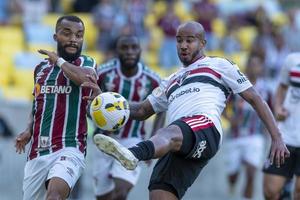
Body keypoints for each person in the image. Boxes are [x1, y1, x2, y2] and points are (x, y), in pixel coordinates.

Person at [85, 21, 289, 200]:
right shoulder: (170, 80)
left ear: (203, 43)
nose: (183, 45)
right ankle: (135, 155)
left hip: (204, 128)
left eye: (189, 40)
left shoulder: (219, 65)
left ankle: (132, 153)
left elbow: (255, 99)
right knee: (159, 190)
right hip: (180, 143)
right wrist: (105, 101)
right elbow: (142, 110)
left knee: (168, 131)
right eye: (179, 40)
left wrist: (277, 137)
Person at [14, 15, 98, 200]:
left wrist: (59, 61)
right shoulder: (41, 69)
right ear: (55, 36)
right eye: (67, 33)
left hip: (70, 147)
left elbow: (85, 80)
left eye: (79, 35)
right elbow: (37, 103)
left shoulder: (87, 63)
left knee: (54, 196)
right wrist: (28, 129)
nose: (73, 39)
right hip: (38, 151)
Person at [92, 34, 165, 200]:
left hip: (133, 139)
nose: (129, 52)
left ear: (140, 50)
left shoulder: (152, 79)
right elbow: (90, 103)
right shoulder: (103, 73)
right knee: (103, 197)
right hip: (103, 139)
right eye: (124, 48)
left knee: (121, 193)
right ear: (117, 51)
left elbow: (162, 108)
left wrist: (155, 135)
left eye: (134, 48)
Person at [224, 55, 272, 199]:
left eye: (257, 65)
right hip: (235, 136)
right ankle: (232, 184)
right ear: (247, 67)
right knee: (233, 175)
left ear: (261, 68)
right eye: (252, 65)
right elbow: (223, 106)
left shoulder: (265, 89)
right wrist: (230, 119)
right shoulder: (237, 86)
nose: (254, 68)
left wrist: (268, 131)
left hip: (255, 136)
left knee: (251, 173)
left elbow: (272, 111)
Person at [263, 52, 300, 200]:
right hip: (286, 134)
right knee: (270, 192)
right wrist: (278, 108)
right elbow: (281, 88)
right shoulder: (292, 59)